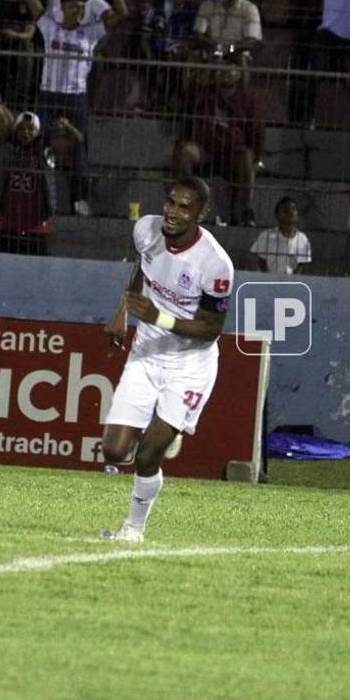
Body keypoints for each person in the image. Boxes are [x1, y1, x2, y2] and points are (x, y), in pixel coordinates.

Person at [99, 176, 234, 542]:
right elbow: (142, 271)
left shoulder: (216, 265)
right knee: (113, 451)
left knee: (146, 457)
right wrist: (121, 310)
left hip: (190, 365)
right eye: (170, 202)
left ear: (201, 214)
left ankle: (133, 529)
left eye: (184, 207)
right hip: (146, 352)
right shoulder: (147, 230)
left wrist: (159, 317)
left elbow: (211, 328)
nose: (172, 213)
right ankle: (161, 434)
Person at [28, 0, 127, 216]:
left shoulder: (90, 33)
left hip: (75, 98)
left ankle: (79, 200)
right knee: (37, 143)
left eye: (82, 7)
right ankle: (35, 196)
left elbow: (121, 14)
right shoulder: (51, 28)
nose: (78, 9)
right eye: (73, 6)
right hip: (49, 95)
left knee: (80, 150)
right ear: (62, 7)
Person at [0, 52, 61, 256]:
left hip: (36, 226)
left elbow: (73, 142)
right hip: (5, 223)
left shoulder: (44, 152)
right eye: (21, 129)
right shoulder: (6, 149)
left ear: (38, 132)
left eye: (30, 129)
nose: (25, 132)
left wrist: (65, 128)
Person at [173, 52, 265, 226]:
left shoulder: (246, 100)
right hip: (205, 151)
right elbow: (187, 99)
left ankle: (243, 212)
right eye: (222, 69)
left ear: (238, 74)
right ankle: (187, 204)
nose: (226, 72)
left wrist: (258, 158)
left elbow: (257, 130)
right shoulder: (205, 93)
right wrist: (207, 75)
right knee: (184, 151)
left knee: (245, 157)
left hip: (231, 155)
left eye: (231, 69)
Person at [192, 0, 263, 58]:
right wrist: (214, 46)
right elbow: (198, 34)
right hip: (211, 50)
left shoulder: (249, 8)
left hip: (236, 53)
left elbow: (251, 41)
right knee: (194, 55)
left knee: (241, 58)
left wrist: (231, 49)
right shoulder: (207, 5)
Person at [251, 197, 313, 274]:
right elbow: (260, 261)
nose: (290, 212)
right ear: (277, 215)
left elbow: (302, 265)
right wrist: (268, 279)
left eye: (293, 209)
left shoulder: (302, 239)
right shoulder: (266, 236)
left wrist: (292, 281)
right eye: (286, 209)